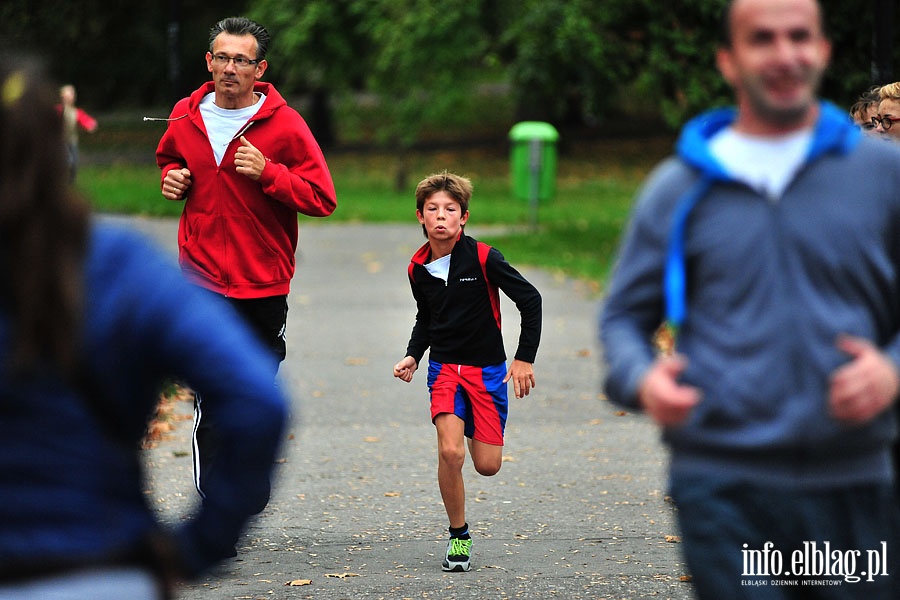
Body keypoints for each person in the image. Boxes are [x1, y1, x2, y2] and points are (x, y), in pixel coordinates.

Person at [599, 0, 900, 597]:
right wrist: (643, 379)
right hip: (723, 482)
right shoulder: (679, 189)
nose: (784, 54)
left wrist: (891, 371)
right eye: (762, 38)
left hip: (852, 479)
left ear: (823, 51)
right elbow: (622, 319)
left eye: (799, 36)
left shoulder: (880, 176)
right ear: (729, 61)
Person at [0, 54, 287, 599]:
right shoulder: (114, 264)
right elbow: (256, 400)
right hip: (98, 571)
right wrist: (197, 547)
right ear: (57, 149)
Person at [155, 16, 336, 507]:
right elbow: (168, 159)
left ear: (261, 69)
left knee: (251, 395)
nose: (230, 67)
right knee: (213, 395)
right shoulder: (185, 114)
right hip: (202, 282)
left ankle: (245, 478)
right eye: (223, 57)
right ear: (208, 62)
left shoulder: (285, 124)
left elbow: (323, 197)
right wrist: (172, 177)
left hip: (263, 284)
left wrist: (269, 172)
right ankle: (218, 504)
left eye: (242, 59)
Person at [392, 171, 542, 572]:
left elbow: (531, 299)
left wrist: (523, 357)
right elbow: (427, 316)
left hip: (487, 373)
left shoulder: (483, 258)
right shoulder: (417, 268)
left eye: (450, 210)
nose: (441, 216)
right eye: (433, 209)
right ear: (421, 217)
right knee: (450, 451)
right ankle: (458, 536)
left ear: (464, 218)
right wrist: (413, 355)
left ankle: (472, 419)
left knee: (487, 465)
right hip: (443, 370)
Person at [57, 83, 97, 183]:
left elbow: (84, 120)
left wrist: (90, 125)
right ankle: (62, 178)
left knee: (74, 162)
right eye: (69, 94)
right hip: (61, 140)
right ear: (62, 97)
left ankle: (71, 180)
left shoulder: (76, 112)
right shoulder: (58, 110)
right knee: (68, 160)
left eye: (72, 94)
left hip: (72, 140)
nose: (72, 96)